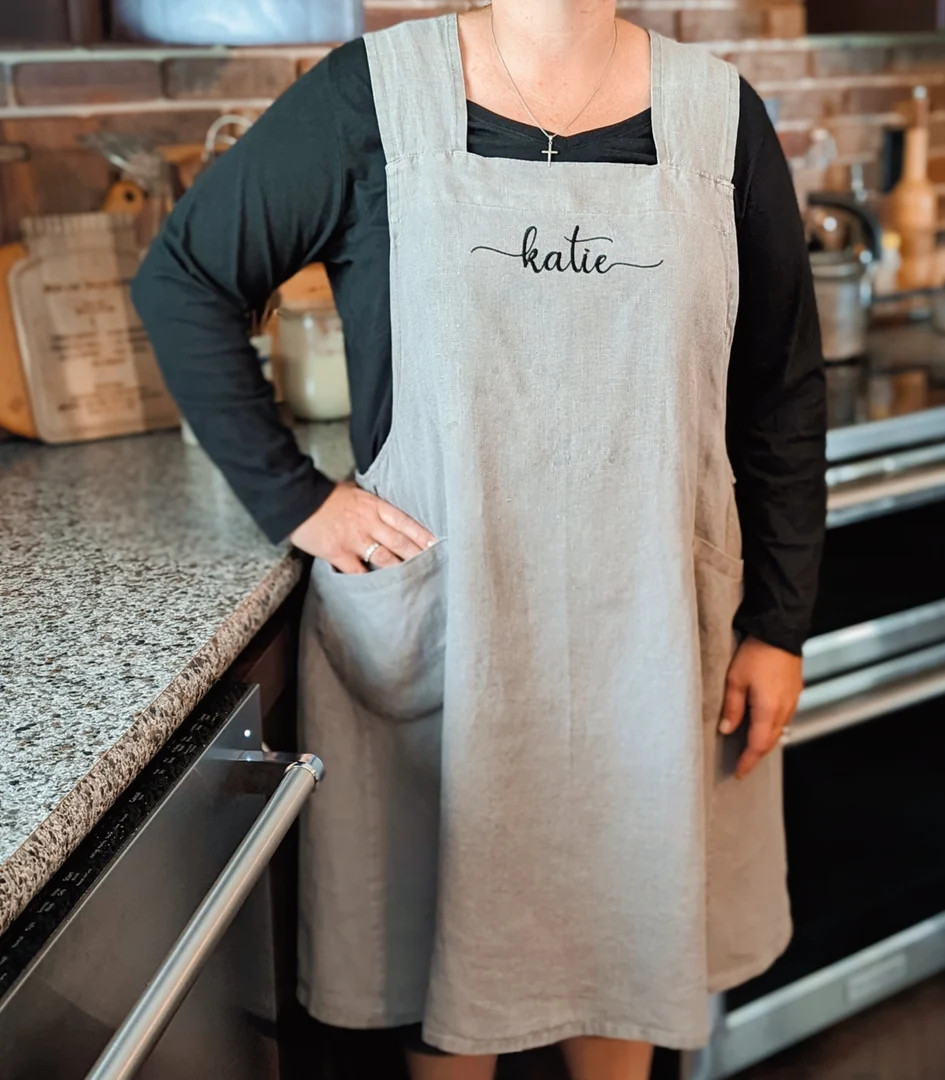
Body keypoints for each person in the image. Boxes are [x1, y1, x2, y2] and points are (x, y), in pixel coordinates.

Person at [132, 2, 826, 1077]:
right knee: (445, 979)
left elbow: (779, 392)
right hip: (449, 637)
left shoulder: (717, 116)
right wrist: (297, 500)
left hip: (654, 636)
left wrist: (780, 622)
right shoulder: (373, 99)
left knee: (629, 949)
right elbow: (185, 276)